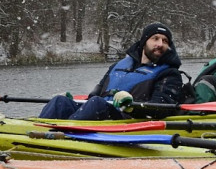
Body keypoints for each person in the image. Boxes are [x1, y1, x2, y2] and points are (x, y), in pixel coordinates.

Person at [38, 22, 185, 120]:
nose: (160, 44)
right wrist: (73, 101)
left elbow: (162, 109)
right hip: (100, 112)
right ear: (144, 42)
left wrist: (131, 106)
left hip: (129, 120)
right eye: (156, 38)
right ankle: (33, 133)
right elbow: (94, 95)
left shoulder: (170, 74)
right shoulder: (118, 66)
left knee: (97, 103)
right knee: (60, 102)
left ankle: (64, 135)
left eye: (165, 41)